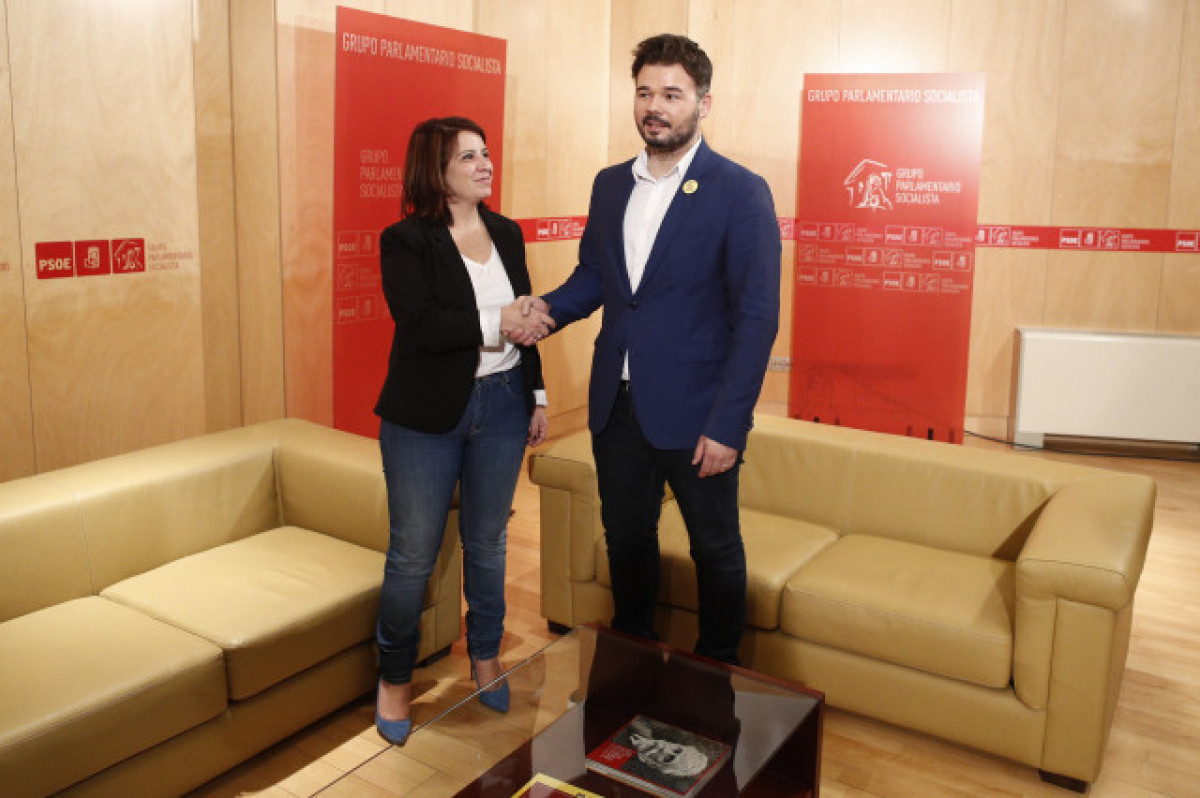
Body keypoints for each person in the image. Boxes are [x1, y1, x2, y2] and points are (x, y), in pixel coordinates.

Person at [530, 34, 780, 665]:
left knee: (713, 547)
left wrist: (728, 424)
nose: (655, 107)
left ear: (704, 103)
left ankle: (716, 670)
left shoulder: (740, 191)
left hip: (698, 413)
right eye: (645, 93)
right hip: (616, 405)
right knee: (626, 537)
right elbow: (596, 276)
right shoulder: (610, 184)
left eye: (672, 94)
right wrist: (543, 313)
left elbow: (756, 320)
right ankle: (634, 658)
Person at [372, 116, 555, 746]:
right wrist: (499, 319)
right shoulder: (405, 241)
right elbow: (421, 326)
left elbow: (526, 318)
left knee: (489, 542)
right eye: (469, 157)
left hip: (503, 404)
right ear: (437, 170)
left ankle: (484, 655)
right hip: (424, 417)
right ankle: (395, 678)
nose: (485, 165)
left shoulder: (506, 232)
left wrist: (535, 394)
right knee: (412, 555)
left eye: (486, 153)